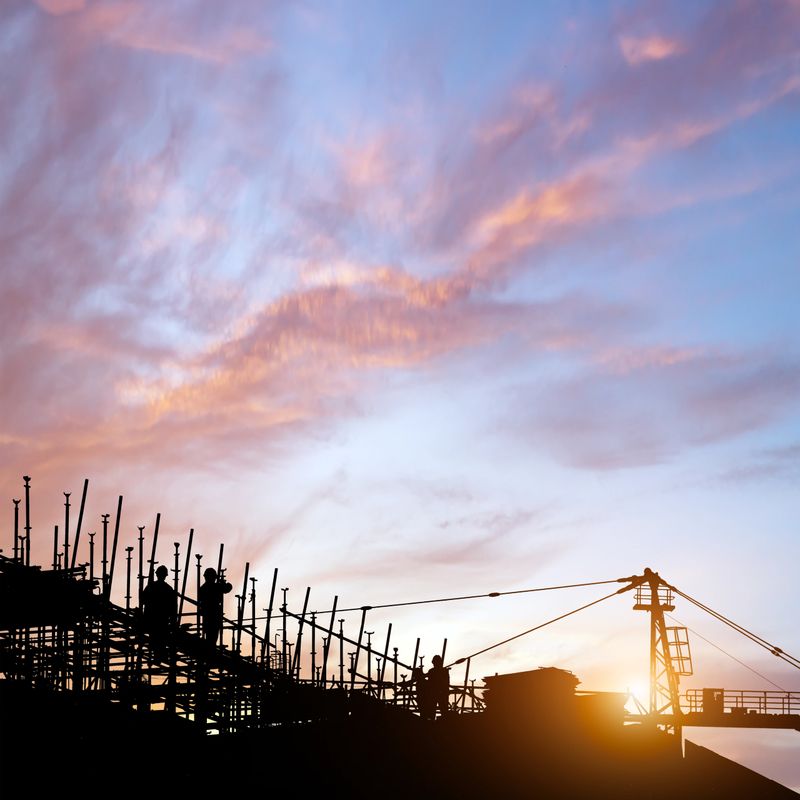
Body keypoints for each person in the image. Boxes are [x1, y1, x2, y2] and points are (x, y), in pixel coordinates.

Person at [141, 564, 176, 662]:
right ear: (165, 575)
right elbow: (173, 607)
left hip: (152, 619)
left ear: (157, 574)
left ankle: (158, 656)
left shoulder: (151, 586)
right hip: (162, 620)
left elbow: (143, 600)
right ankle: (160, 657)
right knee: (161, 640)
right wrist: (173, 620)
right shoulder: (168, 588)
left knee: (156, 640)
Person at [198, 567, 232, 646]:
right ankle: (210, 649)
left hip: (207, 616)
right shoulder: (216, 586)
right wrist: (223, 583)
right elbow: (228, 588)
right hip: (215, 615)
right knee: (213, 638)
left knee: (209, 637)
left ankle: (209, 648)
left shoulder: (202, 588)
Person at [426, 655, 450, 719]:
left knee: (442, 711)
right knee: (434, 711)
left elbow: (446, 682)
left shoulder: (434, 671)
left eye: (434, 662)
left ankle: (434, 722)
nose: (434, 664)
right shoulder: (442, 671)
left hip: (439, 694)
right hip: (436, 694)